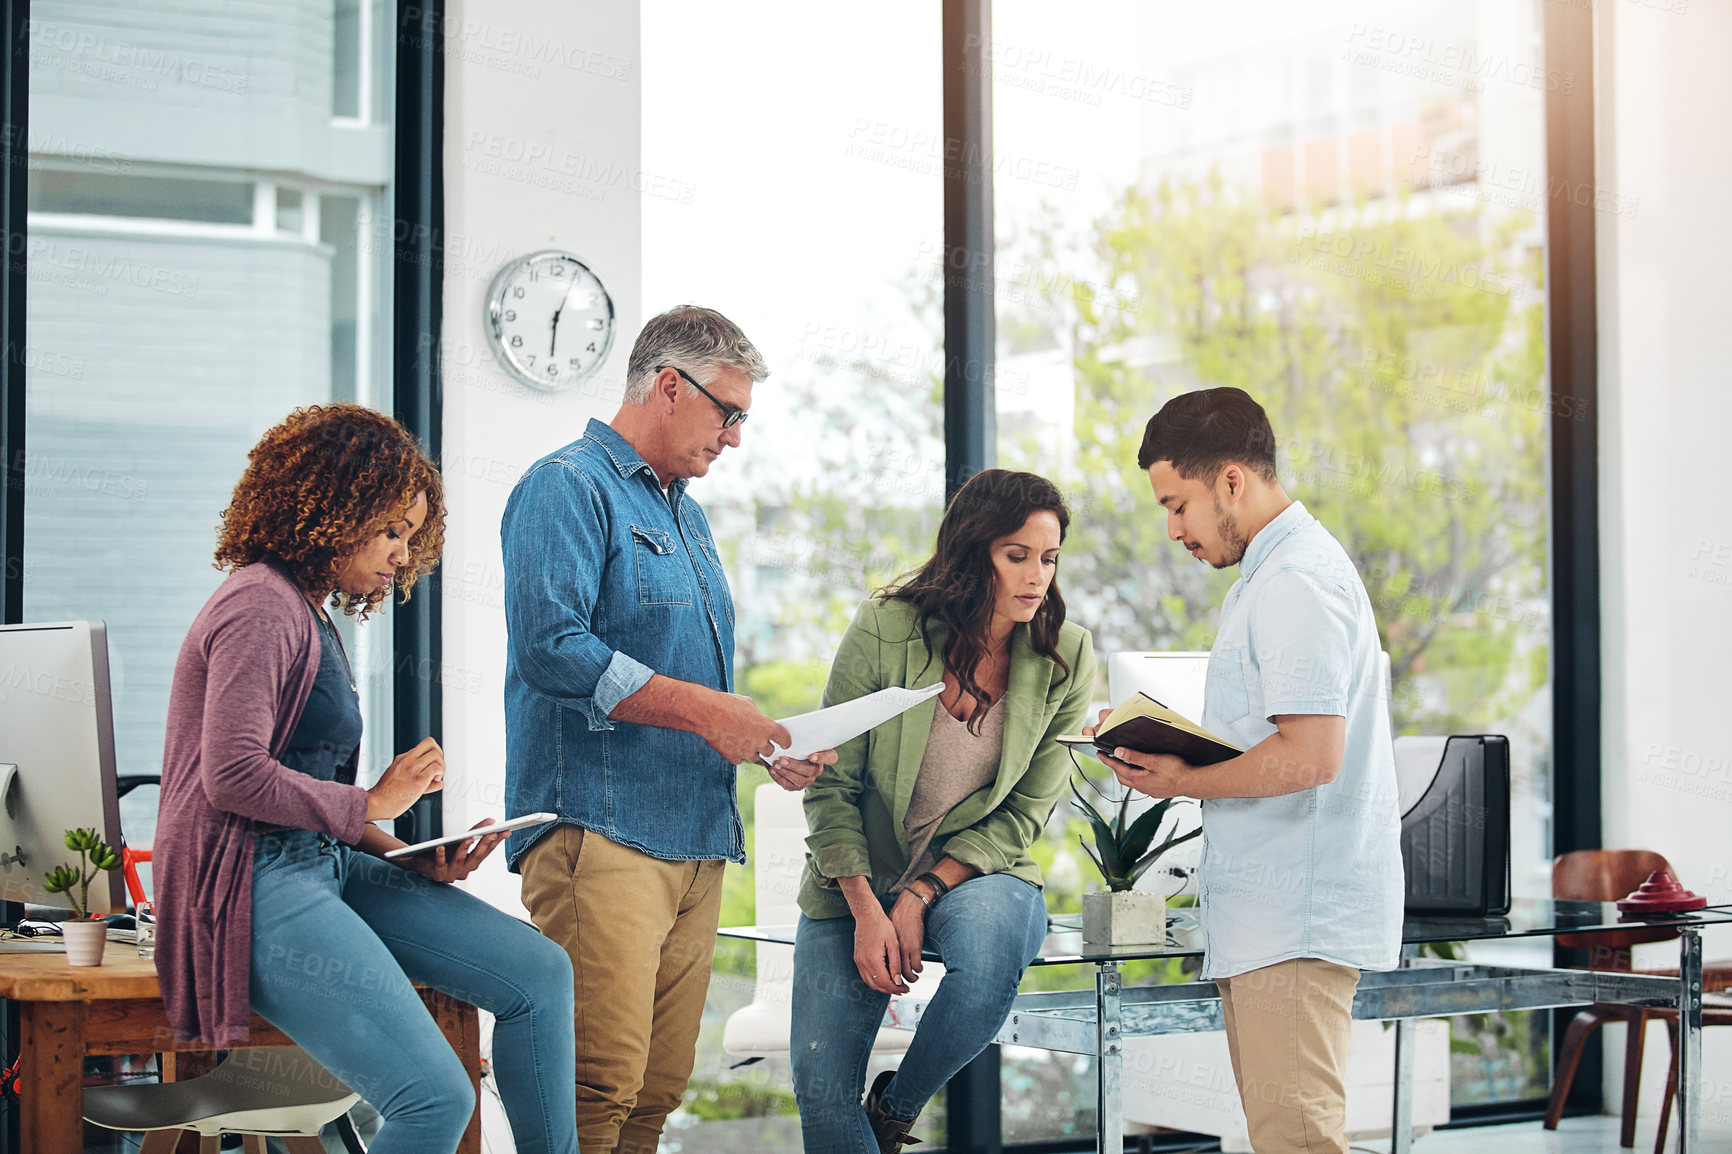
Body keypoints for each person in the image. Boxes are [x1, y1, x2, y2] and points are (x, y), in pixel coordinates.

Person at [153, 403, 578, 1154]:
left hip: (326, 865)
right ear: (327, 510)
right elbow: (231, 775)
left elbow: (308, 797)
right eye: (389, 530)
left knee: (538, 975)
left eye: (410, 537)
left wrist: (401, 850)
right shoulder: (259, 604)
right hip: (251, 884)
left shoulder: (310, 612)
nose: (399, 554)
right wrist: (372, 803)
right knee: (433, 1100)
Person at [500, 305, 836, 1154]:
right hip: (602, 833)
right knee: (594, 1090)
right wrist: (707, 712)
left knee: (655, 1095)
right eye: (729, 413)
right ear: (667, 385)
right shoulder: (565, 486)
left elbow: (692, 681)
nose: (733, 438)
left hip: (694, 838)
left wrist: (763, 737)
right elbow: (552, 647)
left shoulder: (687, 514)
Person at [1092, 387, 1403, 1154]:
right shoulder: (1270, 578)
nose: (1172, 530)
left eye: (1177, 504)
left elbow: (1310, 755)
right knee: (1286, 1138)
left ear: (1231, 480)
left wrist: (1178, 779)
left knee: (1297, 1142)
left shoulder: (1297, 581)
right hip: (1272, 916)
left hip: (1294, 916)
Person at [791, 469, 1097, 1154]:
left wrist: (924, 892)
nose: (1037, 576)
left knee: (989, 962)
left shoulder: (1065, 656)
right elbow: (831, 783)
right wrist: (870, 907)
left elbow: (1023, 812)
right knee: (819, 1091)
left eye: (1049, 558)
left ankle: (894, 1111)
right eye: (1016, 555)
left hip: (979, 872)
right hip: (861, 874)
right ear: (972, 552)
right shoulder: (887, 627)